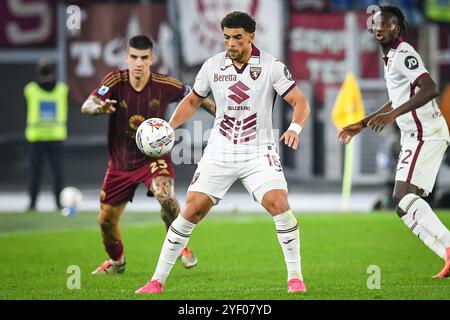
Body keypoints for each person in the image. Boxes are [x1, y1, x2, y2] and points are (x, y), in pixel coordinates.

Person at [136, 11, 310, 294]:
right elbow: (192, 100)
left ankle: (295, 278)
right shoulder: (212, 66)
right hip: (220, 149)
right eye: (227, 37)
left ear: (251, 36)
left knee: (279, 204)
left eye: (237, 37)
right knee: (192, 209)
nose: (231, 43)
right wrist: (169, 127)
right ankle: (156, 281)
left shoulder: (271, 67)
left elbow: (300, 101)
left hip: (258, 150)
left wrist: (295, 129)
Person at [81, 35, 216, 274]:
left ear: (152, 59)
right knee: (106, 221)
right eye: (134, 57)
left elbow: (197, 96)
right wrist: (97, 108)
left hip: (154, 158)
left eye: (144, 58)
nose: (139, 63)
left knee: (166, 198)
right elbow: (88, 104)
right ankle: (117, 262)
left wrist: (222, 114)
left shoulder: (164, 84)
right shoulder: (115, 81)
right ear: (126, 58)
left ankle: (181, 246)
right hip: (121, 164)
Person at [338, 6, 450, 278]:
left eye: (387, 24)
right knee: (403, 205)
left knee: (403, 197)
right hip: (417, 134)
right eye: (376, 24)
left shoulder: (404, 54)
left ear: (397, 28)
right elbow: (400, 96)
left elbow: (430, 87)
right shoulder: (389, 57)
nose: (380, 28)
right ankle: (445, 255)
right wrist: (364, 123)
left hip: (427, 133)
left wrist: (392, 116)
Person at [24, 58, 68, 211]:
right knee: (57, 173)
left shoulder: (30, 90)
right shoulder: (62, 89)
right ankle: (58, 203)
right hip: (55, 137)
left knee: (36, 173)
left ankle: (32, 204)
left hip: (37, 137)